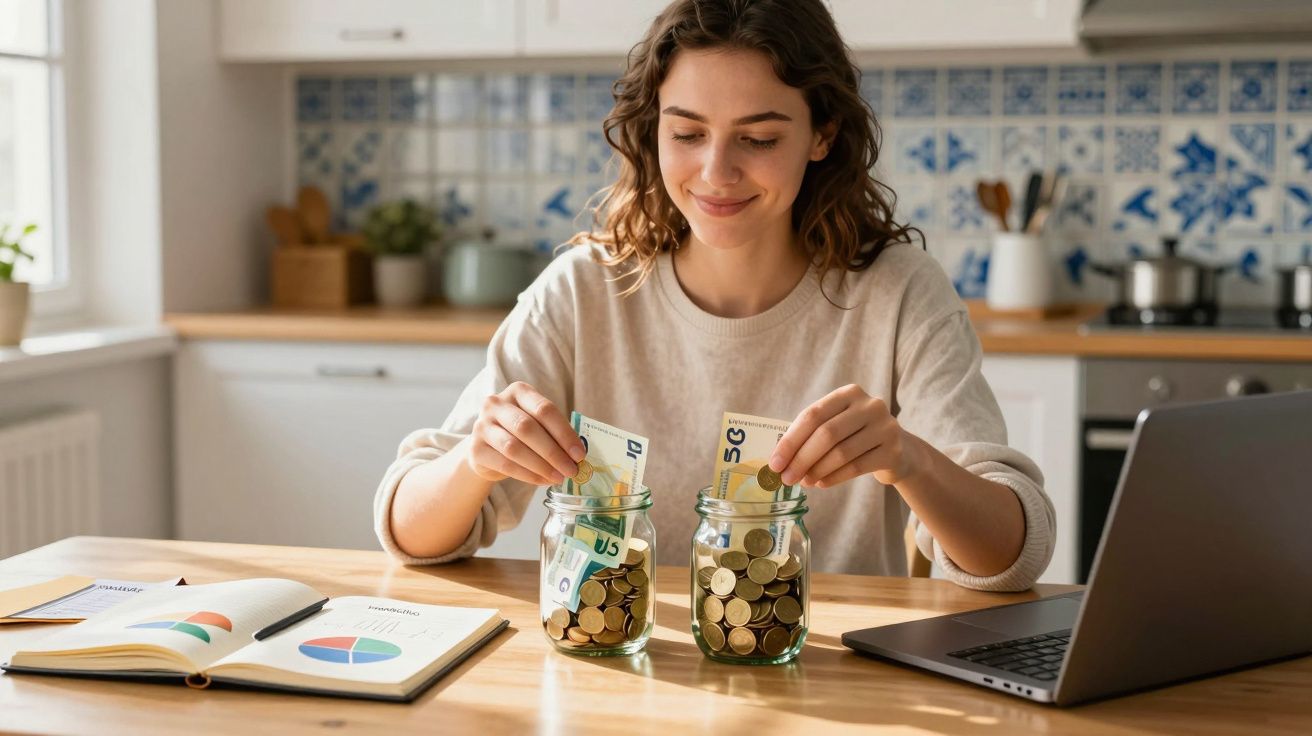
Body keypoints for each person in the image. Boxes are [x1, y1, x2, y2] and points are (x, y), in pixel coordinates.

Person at [374, 0, 1054, 590]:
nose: (716, 172)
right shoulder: (583, 292)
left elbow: (1014, 557)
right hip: (618, 666)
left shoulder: (900, 292)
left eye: (757, 138)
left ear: (823, 135)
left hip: (828, 679)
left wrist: (910, 459)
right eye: (687, 133)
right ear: (652, 130)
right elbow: (408, 529)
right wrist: (475, 460)